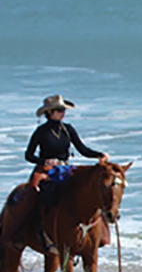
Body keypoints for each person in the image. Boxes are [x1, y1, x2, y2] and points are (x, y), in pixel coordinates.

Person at [9, 94, 109, 253]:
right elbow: (28, 155)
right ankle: (18, 231)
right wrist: (43, 161)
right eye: (59, 110)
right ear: (50, 113)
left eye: (63, 110)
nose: (63, 112)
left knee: (90, 190)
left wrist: (99, 154)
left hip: (65, 168)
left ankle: (101, 233)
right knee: (33, 193)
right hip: (45, 170)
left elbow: (82, 149)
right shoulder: (41, 132)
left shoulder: (67, 129)